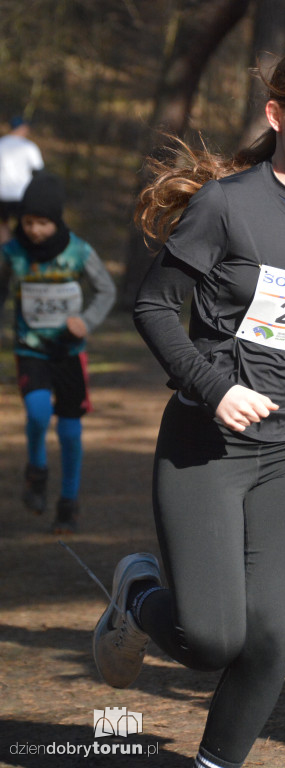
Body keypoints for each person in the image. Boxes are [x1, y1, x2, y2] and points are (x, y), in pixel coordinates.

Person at [91, 44, 285, 768]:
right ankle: (139, 591)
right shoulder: (226, 205)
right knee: (211, 642)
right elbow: (154, 306)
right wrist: (215, 386)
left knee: (269, 640)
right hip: (208, 445)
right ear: (277, 114)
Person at [0, 171, 116, 532]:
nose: (35, 230)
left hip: (69, 353)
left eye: (43, 223)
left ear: (57, 220)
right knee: (36, 414)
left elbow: (106, 290)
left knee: (69, 431)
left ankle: (69, 501)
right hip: (30, 350)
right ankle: (37, 469)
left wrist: (87, 320)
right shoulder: (13, 253)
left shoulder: (77, 250)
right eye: (29, 222)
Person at [0, 116, 44, 244]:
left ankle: (6, 252)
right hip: (22, 193)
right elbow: (39, 171)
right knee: (25, 224)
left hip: (2, 193)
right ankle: (19, 255)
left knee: (4, 223)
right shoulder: (29, 146)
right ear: (22, 128)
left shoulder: (1, 143)